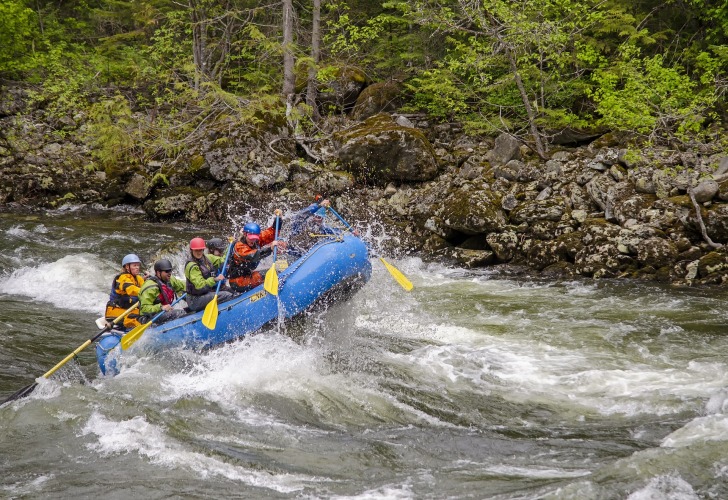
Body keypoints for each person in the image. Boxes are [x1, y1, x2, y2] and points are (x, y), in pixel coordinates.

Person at [227, 216, 286, 293]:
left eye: (255, 238)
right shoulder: (239, 246)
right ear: (245, 234)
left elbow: (270, 234)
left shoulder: (256, 240)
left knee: (277, 272)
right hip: (238, 282)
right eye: (251, 238)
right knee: (266, 275)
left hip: (248, 275)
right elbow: (253, 256)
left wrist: (278, 220)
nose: (253, 241)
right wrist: (270, 249)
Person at [184, 237, 233, 312]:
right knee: (226, 295)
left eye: (200, 250)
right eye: (196, 250)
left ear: (203, 249)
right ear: (191, 250)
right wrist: (215, 279)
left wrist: (231, 245)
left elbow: (223, 260)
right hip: (195, 300)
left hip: (205, 294)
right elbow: (200, 285)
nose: (199, 252)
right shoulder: (191, 266)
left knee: (230, 292)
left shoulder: (207, 258)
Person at [138, 259, 187, 325]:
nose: (169, 273)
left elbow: (184, 286)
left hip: (163, 313)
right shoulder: (150, 287)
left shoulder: (170, 280)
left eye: (170, 270)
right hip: (149, 317)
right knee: (180, 313)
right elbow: (144, 309)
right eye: (167, 271)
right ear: (158, 273)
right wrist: (161, 307)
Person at [105, 253, 145, 330]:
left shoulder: (138, 278)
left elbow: (145, 287)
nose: (137, 268)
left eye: (138, 265)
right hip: (115, 312)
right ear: (127, 267)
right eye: (134, 265)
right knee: (141, 319)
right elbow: (131, 289)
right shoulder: (122, 278)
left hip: (128, 310)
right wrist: (146, 291)